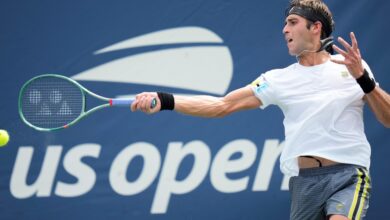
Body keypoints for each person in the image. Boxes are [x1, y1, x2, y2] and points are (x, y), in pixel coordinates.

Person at [131, 0, 390, 219]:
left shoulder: (351, 67)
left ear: (316, 27)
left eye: (292, 22)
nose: (284, 29)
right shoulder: (277, 79)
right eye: (285, 23)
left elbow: (388, 118)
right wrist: (165, 100)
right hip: (304, 182)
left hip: (348, 175)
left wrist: (363, 79)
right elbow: (223, 105)